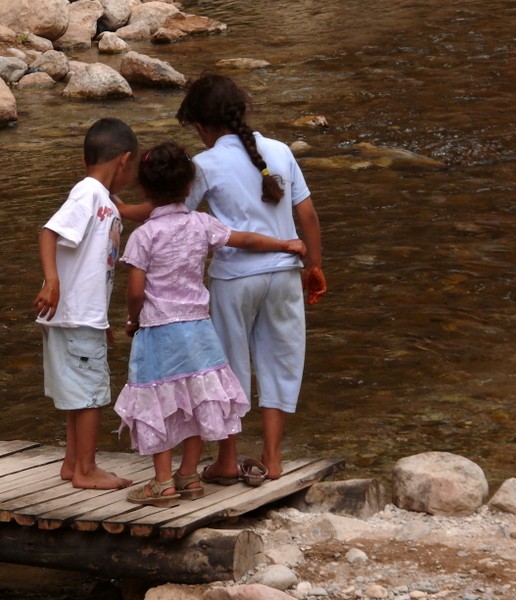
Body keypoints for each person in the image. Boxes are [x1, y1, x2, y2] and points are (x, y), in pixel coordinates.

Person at [115, 141, 307, 506]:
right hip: (200, 331)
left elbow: (136, 290)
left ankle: (161, 483)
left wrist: (133, 319)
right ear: (189, 188)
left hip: (159, 331)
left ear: (144, 189)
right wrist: (286, 244)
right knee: (195, 400)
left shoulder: (143, 236)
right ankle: (188, 476)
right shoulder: (202, 224)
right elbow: (246, 239)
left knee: (160, 399)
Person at [175, 73, 327, 483]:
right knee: (280, 362)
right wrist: (314, 267)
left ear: (203, 126)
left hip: (234, 280)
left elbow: (177, 221)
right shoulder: (278, 151)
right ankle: (273, 459)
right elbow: (308, 216)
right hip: (284, 274)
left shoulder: (203, 164)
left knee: (229, 366)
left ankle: (227, 459)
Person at [33, 117, 138, 490]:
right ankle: (87, 470)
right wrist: (52, 280)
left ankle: (72, 463)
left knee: (79, 394)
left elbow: (91, 267)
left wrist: (101, 320)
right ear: (124, 161)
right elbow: (49, 231)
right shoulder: (89, 194)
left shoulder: (103, 199)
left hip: (81, 317)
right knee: (92, 395)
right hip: (75, 316)